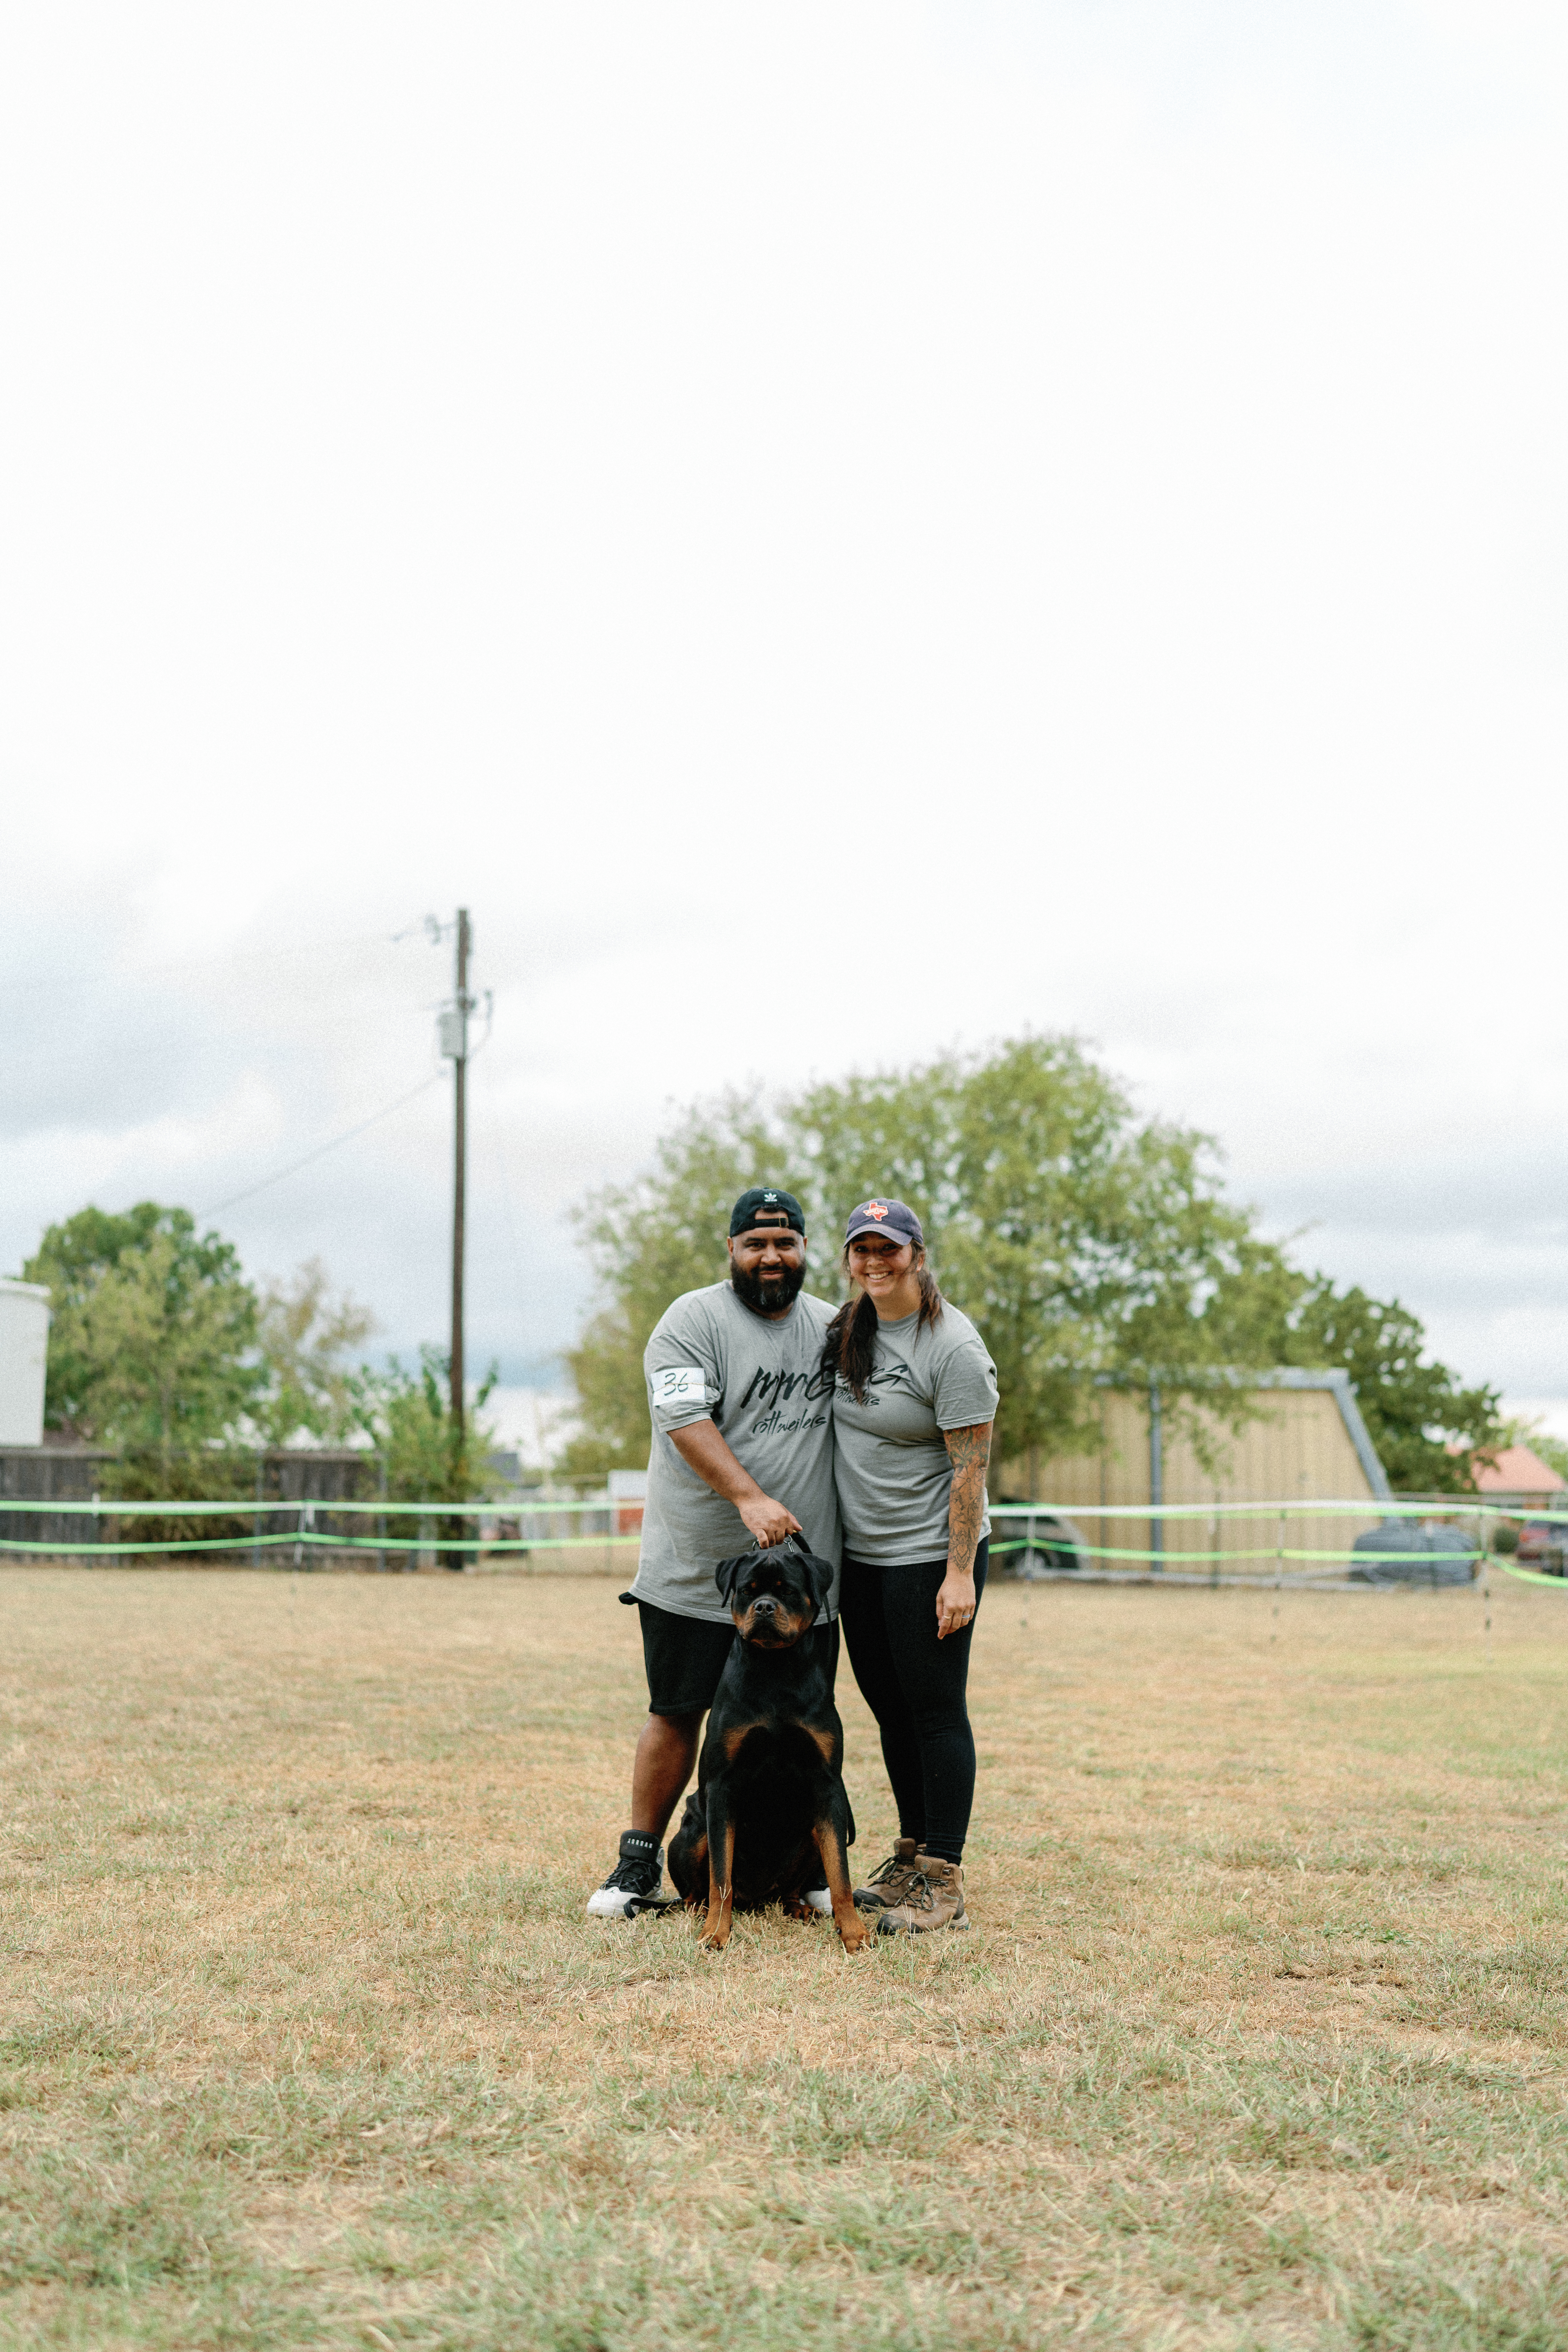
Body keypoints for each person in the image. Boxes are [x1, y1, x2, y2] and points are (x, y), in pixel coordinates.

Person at [586, 1187, 843, 1917]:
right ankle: (637, 1863)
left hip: (801, 1587)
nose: (772, 1256)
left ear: (803, 1250)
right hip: (695, 1570)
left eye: (785, 1243)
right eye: (755, 1243)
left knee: (801, 1736)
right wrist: (748, 1497)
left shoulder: (833, 1325)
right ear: (731, 1249)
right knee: (677, 1712)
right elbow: (682, 1416)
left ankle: (808, 1873)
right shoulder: (690, 1321)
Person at [824, 1197, 998, 1935]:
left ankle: (944, 1878)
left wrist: (958, 1574)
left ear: (917, 1255)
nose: (875, 1261)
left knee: (933, 1712)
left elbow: (970, 1466)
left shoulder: (951, 1346)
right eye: (862, 1249)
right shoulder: (849, 1327)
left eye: (888, 1248)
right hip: (862, 1556)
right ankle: (908, 1858)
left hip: (930, 1555)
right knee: (890, 1711)